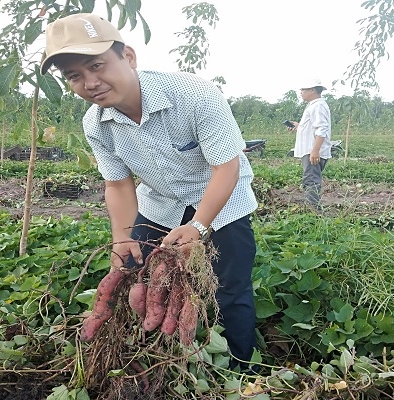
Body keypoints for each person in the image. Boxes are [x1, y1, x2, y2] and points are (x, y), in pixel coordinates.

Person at [40, 13, 258, 368]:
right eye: (75, 76)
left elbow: (226, 168)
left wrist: (199, 227)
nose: (90, 83)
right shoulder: (96, 123)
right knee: (133, 275)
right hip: (159, 204)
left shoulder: (195, 94)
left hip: (222, 201)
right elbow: (117, 183)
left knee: (230, 288)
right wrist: (122, 237)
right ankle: (151, 354)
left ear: (127, 57)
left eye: (97, 66)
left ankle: (238, 365)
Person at [286, 79, 332, 209]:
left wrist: (315, 150)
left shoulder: (318, 106)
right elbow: (313, 126)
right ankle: (312, 209)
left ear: (312, 90)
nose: (300, 92)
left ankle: (313, 212)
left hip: (312, 151)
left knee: (311, 181)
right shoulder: (314, 105)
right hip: (310, 150)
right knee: (310, 179)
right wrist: (299, 126)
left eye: (303, 90)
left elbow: (322, 128)